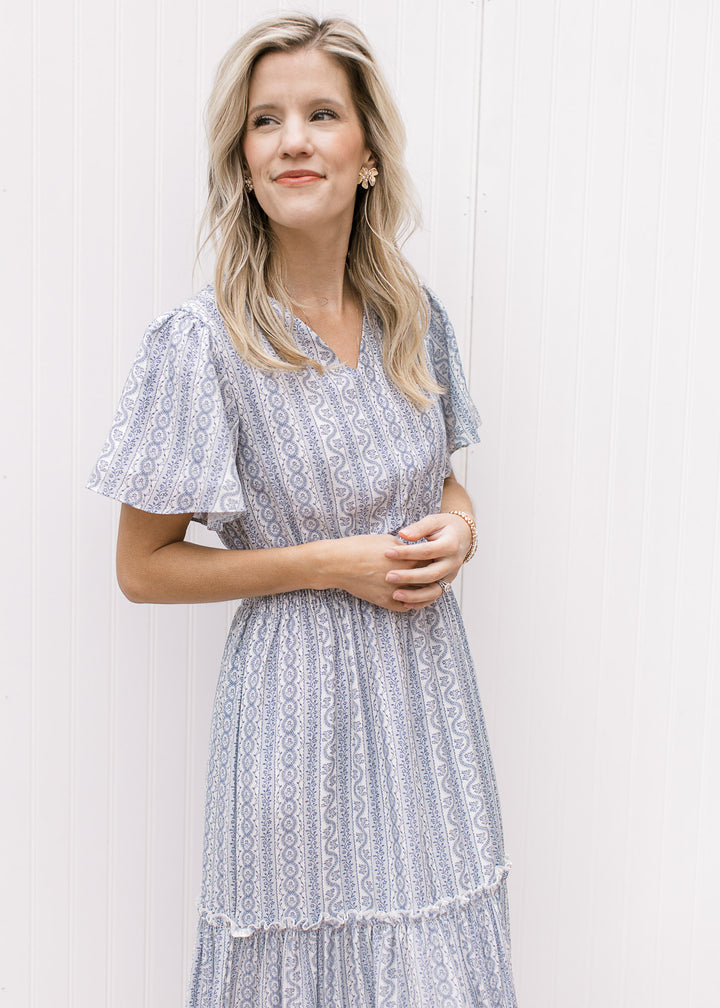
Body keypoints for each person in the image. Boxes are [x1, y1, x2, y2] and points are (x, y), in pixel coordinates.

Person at [88, 13, 517, 1007]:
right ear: (240, 161)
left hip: (427, 702)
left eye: (322, 114)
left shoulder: (415, 315)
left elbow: (439, 477)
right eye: (265, 121)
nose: (293, 140)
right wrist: (330, 563)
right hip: (295, 714)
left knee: (440, 972)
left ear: (367, 152)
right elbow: (143, 566)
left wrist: (462, 524)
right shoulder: (200, 345)